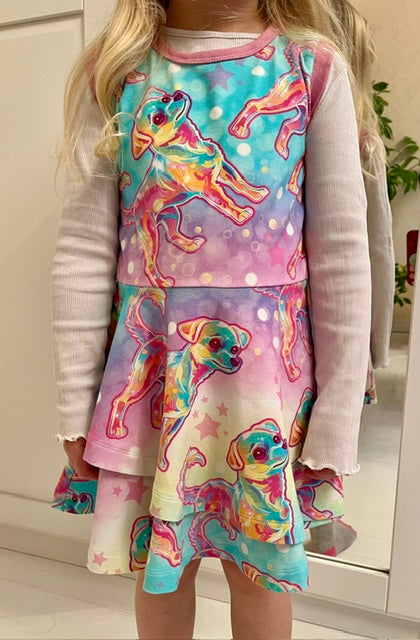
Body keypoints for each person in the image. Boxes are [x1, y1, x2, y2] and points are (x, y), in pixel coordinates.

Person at [50, 1, 374, 638]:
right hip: (155, 381)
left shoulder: (309, 67)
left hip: (267, 390)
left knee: (260, 572)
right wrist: (74, 406)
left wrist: (337, 419)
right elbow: (83, 251)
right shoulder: (115, 72)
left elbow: (342, 254)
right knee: (161, 566)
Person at [303, 0, 395, 558]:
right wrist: (373, 345)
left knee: (321, 425)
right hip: (313, 321)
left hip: (309, 315)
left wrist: (372, 342)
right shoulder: (363, 141)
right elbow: (378, 250)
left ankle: (317, 521)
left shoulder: (359, 142)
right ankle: (318, 521)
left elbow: (371, 248)